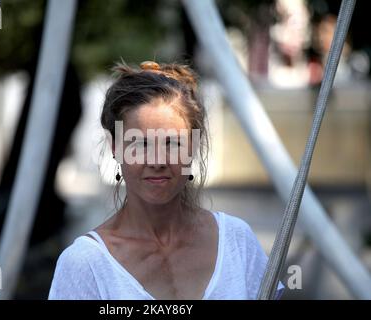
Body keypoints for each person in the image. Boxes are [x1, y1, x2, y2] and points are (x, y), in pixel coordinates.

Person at [49, 61, 284, 300]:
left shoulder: (237, 242)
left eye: (172, 143)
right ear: (115, 147)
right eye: (141, 144)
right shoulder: (85, 264)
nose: (158, 160)